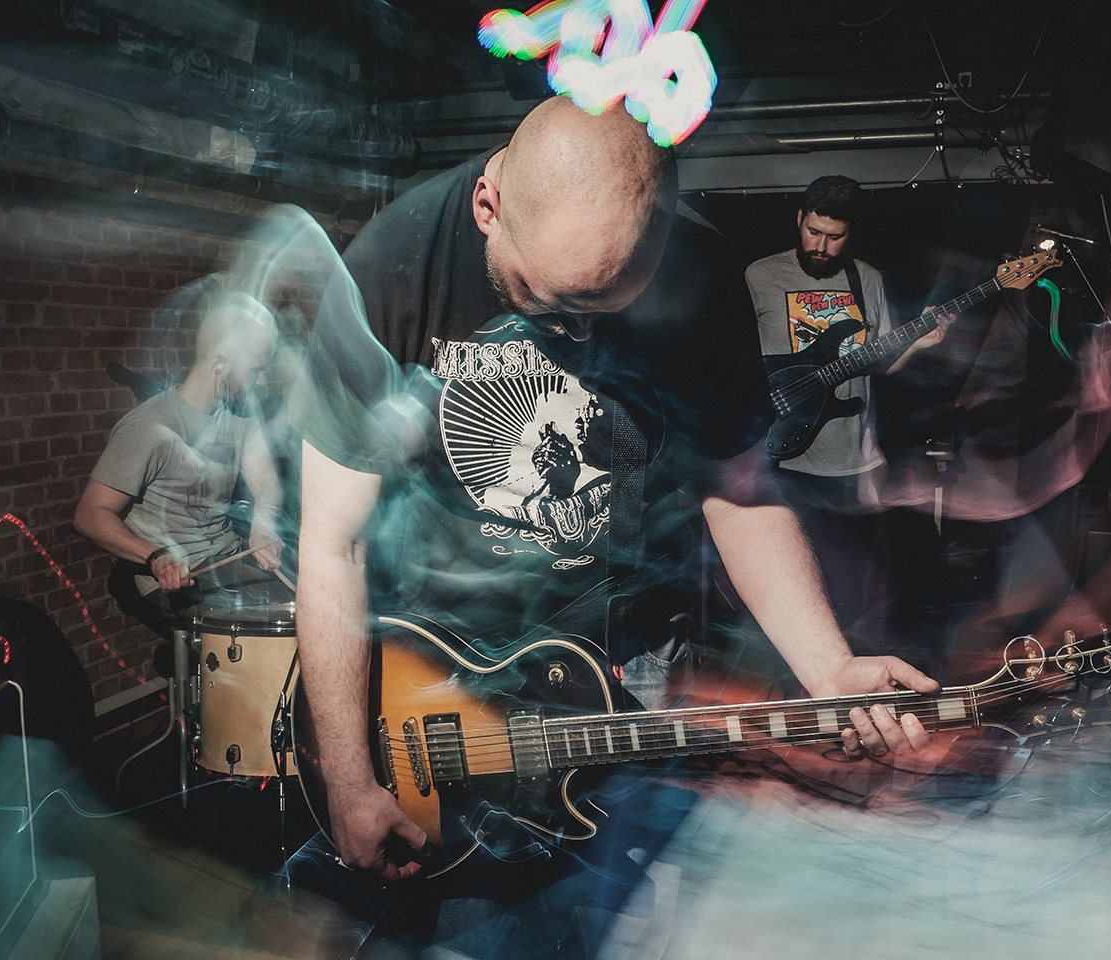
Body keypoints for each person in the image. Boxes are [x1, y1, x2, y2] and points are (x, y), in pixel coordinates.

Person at [291, 98, 939, 954]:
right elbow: (333, 541)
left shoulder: (701, 275)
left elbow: (738, 488)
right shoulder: (393, 263)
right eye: (555, 298)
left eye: (609, 306)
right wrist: (347, 777)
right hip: (434, 684)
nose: (578, 332)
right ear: (489, 207)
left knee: (587, 925)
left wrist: (829, 665)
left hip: (622, 671)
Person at [745, 175, 949, 650]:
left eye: (834, 237)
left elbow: (881, 363)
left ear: (850, 233)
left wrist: (920, 343)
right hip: (784, 459)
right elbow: (733, 361)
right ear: (799, 220)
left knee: (856, 596)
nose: (821, 246)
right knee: (791, 594)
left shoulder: (867, 279)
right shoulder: (759, 277)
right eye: (813, 232)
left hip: (853, 464)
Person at [74, 291, 288, 640]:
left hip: (226, 557)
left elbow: (267, 481)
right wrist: (155, 556)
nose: (262, 382)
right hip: (176, 574)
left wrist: (263, 525)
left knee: (311, 599)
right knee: (276, 632)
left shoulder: (242, 414)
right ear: (220, 362)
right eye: (256, 370)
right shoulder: (149, 426)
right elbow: (89, 514)